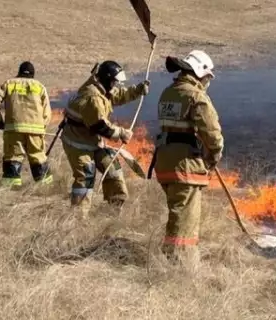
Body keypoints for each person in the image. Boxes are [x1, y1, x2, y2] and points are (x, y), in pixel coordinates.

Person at [151, 49, 222, 265]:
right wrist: (211, 159)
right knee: (185, 221)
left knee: (177, 214)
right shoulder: (196, 97)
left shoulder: (167, 92)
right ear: (199, 72)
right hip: (186, 167)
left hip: (165, 163)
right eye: (207, 77)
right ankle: (180, 267)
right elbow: (213, 136)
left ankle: (170, 259)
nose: (208, 82)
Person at [60, 60, 149, 209]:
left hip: (94, 142)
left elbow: (118, 95)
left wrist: (138, 90)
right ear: (107, 79)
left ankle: (114, 208)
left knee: (113, 170)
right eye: (114, 81)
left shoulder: (101, 88)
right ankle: (78, 218)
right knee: (86, 177)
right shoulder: (93, 97)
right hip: (78, 144)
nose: (116, 85)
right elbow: (100, 127)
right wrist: (121, 133)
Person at [0, 61, 54, 188]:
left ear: (19, 73)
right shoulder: (40, 86)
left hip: (14, 129)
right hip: (36, 131)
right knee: (38, 158)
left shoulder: (9, 84)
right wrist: (42, 128)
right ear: (33, 74)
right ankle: (45, 191)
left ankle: (11, 191)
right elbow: (47, 112)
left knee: (13, 158)